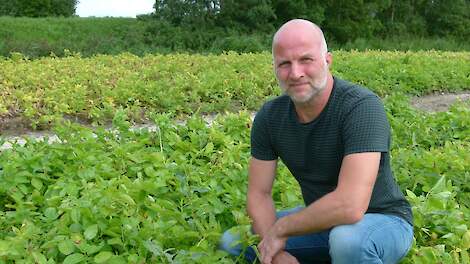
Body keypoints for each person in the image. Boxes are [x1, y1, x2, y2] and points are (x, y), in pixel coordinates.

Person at [220, 19, 414, 264]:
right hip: (324, 221)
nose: (295, 73)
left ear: (327, 60)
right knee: (232, 241)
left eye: (306, 60)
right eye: (284, 64)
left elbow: (350, 206)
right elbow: (259, 194)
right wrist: (276, 253)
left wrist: (281, 230)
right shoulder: (270, 117)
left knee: (348, 241)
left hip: (383, 221)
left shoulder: (360, 107)